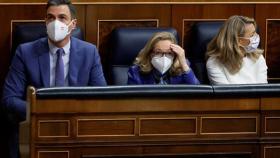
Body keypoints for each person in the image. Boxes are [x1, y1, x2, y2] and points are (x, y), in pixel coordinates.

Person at [1, 0, 106, 157]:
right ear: (45, 22)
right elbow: (9, 99)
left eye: (62, 17)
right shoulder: (25, 52)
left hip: (77, 127)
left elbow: (102, 97)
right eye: (50, 17)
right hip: (37, 126)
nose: (55, 23)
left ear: (73, 24)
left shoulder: (89, 52)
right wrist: (43, 112)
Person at [206, 15, 268, 84]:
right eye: (252, 35)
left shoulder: (258, 57)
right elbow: (226, 93)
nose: (257, 37)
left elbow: (263, 90)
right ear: (238, 41)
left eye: (255, 32)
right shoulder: (214, 63)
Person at [127, 31, 200, 85]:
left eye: (169, 53)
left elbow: (198, 93)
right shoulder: (136, 72)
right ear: (149, 53)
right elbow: (132, 100)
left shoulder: (182, 69)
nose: (164, 58)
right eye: (158, 52)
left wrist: (184, 65)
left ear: (175, 55)